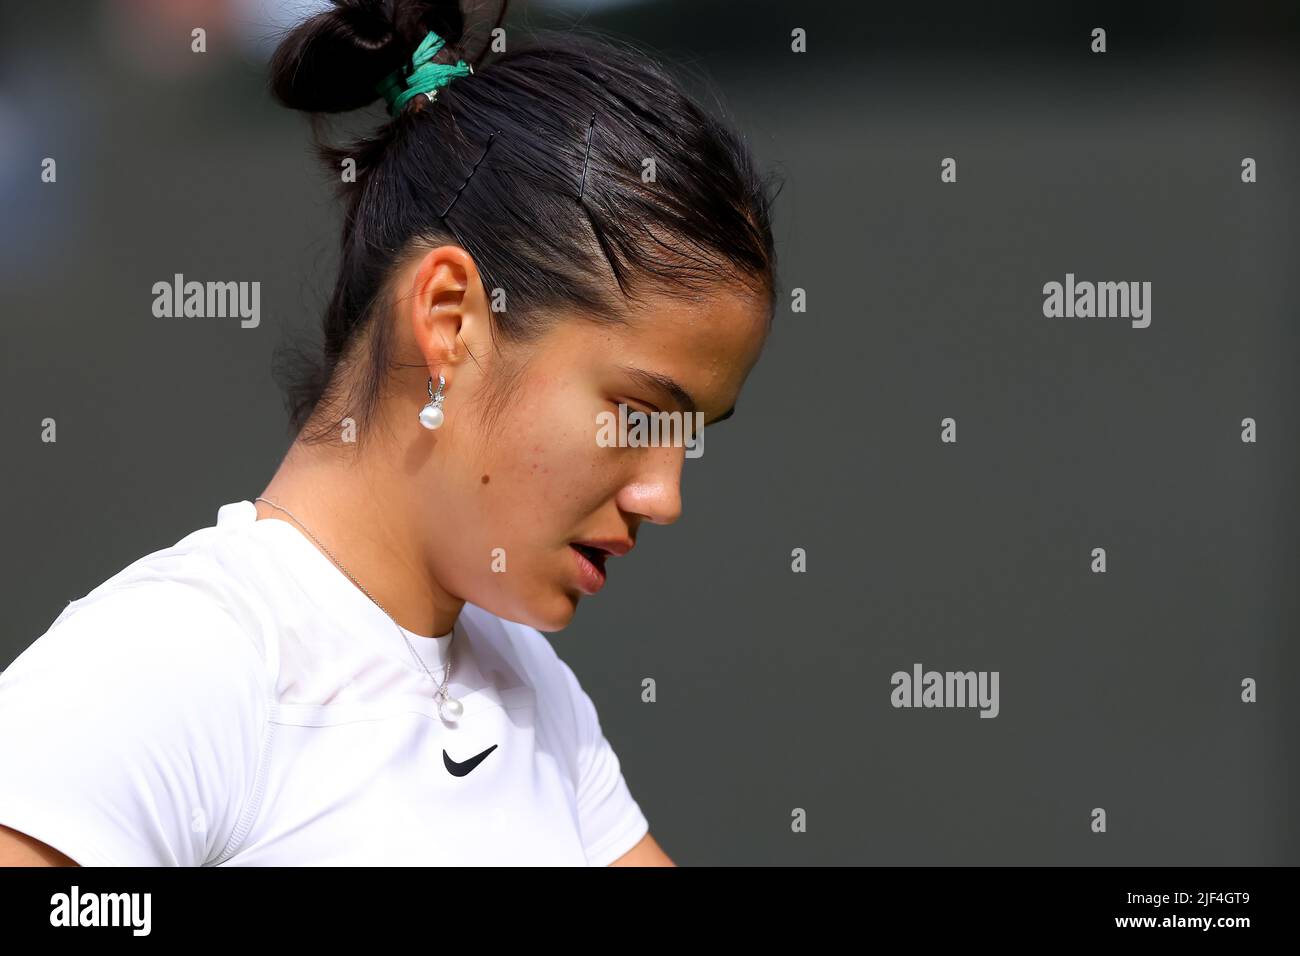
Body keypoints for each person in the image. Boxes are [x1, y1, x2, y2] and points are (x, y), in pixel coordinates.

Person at [0, 0, 778, 866]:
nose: (663, 497)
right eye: (637, 414)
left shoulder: (535, 694)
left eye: (689, 433)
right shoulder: (171, 665)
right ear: (449, 319)